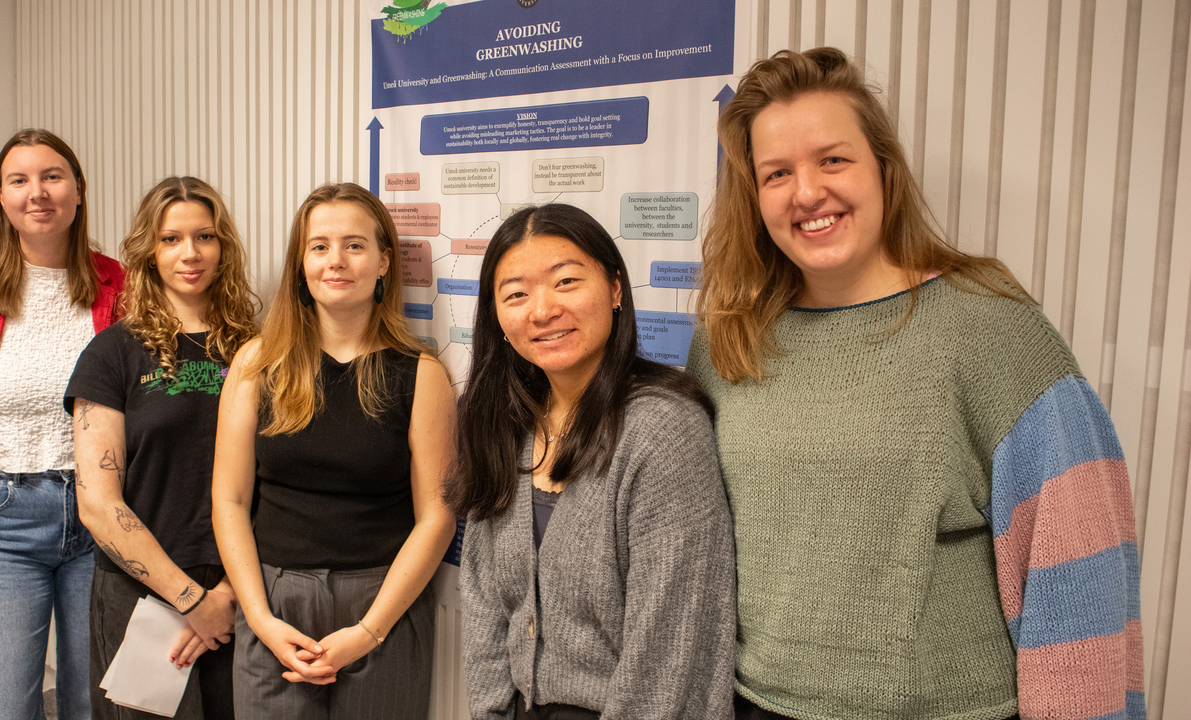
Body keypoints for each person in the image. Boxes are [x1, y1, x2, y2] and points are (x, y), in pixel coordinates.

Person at [690, 47, 1145, 720]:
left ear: (884, 168)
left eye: (833, 160)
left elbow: (1080, 573)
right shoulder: (726, 341)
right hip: (755, 704)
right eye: (776, 173)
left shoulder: (988, 328)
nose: (807, 192)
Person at [447, 203, 736, 720]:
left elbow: (671, 653)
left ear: (616, 289)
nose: (541, 310)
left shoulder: (661, 431)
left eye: (566, 282)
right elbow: (485, 605)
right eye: (516, 294)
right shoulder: (503, 425)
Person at [211, 182, 455, 719]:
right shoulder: (256, 364)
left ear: (384, 260)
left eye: (355, 245)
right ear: (301, 263)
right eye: (319, 246)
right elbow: (228, 501)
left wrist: (368, 630)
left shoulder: (422, 375)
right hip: (273, 604)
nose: (335, 261)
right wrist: (260, 618)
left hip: (383, 604)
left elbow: (436, 516)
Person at [0, 128, 125, 720]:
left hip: (104, 520)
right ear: (1, 196)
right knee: (0, 709)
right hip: (1, 523)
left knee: (95, 704)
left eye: (52, 177)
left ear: (79, 189)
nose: (37, 193)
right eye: (19, 180)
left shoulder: (120, 284)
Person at [65, 176, 258, 719]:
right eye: (171, 239)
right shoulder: (112, 354)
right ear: (149, 252)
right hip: (142, 594)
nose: (190, 253)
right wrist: (191, 601)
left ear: (225, 247)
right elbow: (98, 504)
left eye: (205, 236)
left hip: (240, 589)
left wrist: (225, 593)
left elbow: (276, 478)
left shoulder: (258, 349)